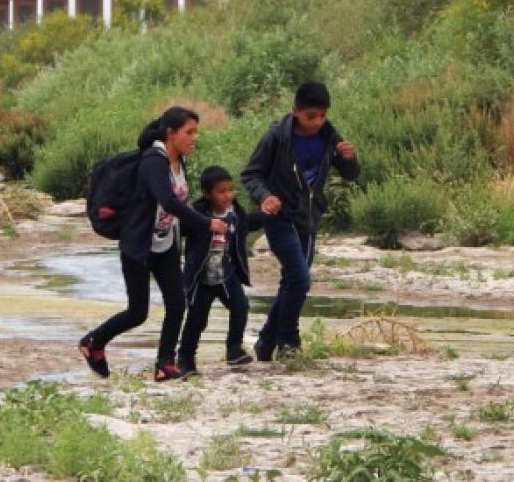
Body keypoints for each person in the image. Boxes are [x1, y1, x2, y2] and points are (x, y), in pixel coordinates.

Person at [79, 106, 228, 382]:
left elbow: (179, 204)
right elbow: (168, 200)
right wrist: (206, 223)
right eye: (189, 132)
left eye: (196, 132)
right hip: (139, 244)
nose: (195, 138)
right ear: (171, 133)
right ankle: (93, 342)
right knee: (138, 312)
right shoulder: (153, 160)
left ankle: (164, 364)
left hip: (165, 243)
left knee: (177, 303)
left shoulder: (179, 161)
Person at [241, 82, 360, 360]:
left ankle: (266, 341)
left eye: (322, 116)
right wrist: (265, 197)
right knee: (299, 278)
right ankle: (289, 342)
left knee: (293, 281)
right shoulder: (275, 137)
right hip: (279, 217)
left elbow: (350, 174)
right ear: (295, 111)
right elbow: (250, 174)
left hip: (308, 218)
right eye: (310, 117)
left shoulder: (330, 137)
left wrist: (350, 160)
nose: (317, 123)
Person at [176, 165, 264, 378]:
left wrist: (266, 214)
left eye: (231, 190)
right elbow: (181, 228)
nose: (228, 195)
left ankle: (234, 350)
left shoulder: (235, 212)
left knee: (241, 306)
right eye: (221, 191)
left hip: (226, 275)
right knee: (197, 319)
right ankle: (185, 360)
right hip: (201, 277)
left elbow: (247, 226)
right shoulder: (197, 212)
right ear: (208, 193)